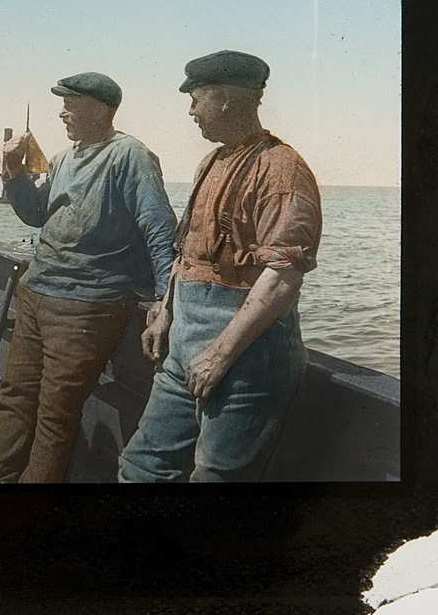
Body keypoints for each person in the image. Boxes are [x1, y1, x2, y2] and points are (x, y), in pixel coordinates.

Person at [119, 50, 322, 483]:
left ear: (225, 99)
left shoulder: (282, 169)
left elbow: (283, 277)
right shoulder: (210, 163)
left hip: (248, 361)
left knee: (217, 480)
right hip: (184, 347)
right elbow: (187, 253)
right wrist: (165, 312)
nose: (191, 111)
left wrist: (219, 354)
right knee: (140, 467)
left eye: (196, 99)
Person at [0, 72, 177, 483]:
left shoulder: (130, 155)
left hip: (87, 306)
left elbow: (158, 226)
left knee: (55, 416)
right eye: (63, 103)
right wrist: (13, 173)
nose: (62, 112)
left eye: (72, 103)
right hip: (35, 291)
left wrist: (163, 299)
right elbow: (36, 214)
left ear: (101, 110)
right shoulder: (64, 158)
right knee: (15, 400)